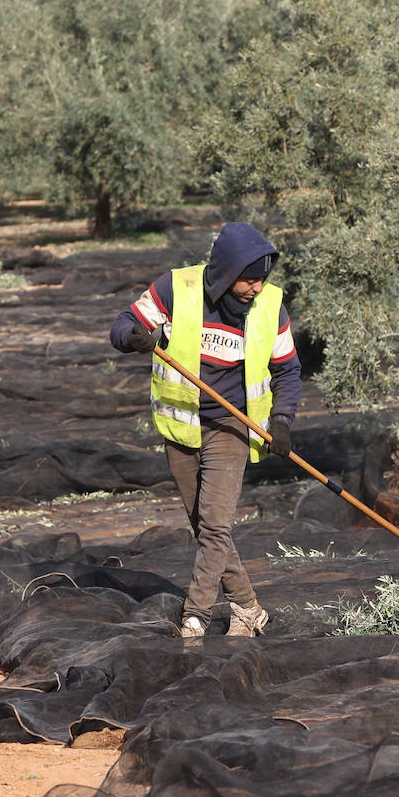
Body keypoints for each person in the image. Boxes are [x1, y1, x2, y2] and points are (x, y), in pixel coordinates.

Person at [110, 222, 301, 639]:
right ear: (228, 272)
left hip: (234, 424)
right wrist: (137, 338)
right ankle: (249, 608)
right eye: (249, 279)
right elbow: (123, 325)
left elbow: (287, 371)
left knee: (215, 526)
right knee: (204, 524)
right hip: (182, 426)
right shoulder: (177, 289)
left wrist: (282, 421)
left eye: (262, 279)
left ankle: (195, 616)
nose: (256, 288)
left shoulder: (270, 307)